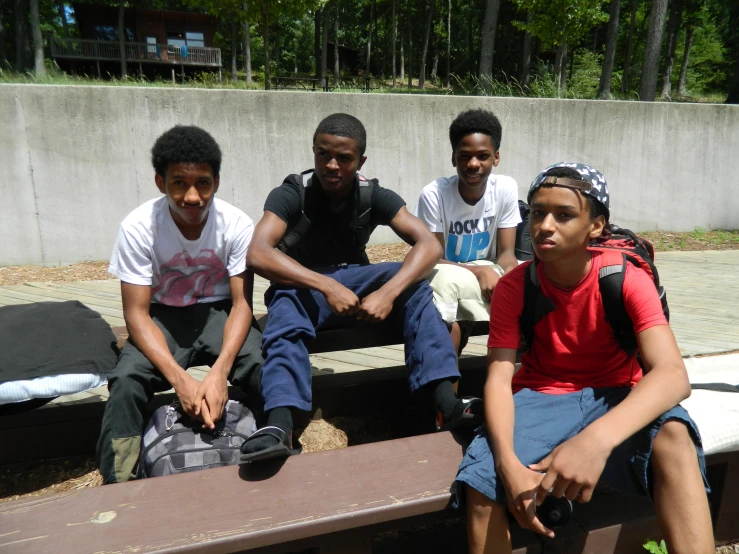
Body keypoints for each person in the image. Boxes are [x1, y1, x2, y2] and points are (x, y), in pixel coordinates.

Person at [457, 163, 714, 554]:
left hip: (615, 394)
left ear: (596, 226)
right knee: (481, 483)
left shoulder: (624, 277)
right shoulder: (516, 285)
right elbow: (497, 377)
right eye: (538, 212)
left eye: (564, 215)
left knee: (674, 437)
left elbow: (673, 376)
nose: (545, 226)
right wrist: (508, 465)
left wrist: (594, 441)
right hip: (541, 395)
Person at [240, 113, 481, 462]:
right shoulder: (293, 192)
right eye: (323, 154)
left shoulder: (372, 194)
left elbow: (429, 245)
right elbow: (258, 252)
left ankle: (446, 404)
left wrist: (388, 291)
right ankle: (280, 425)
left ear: (360, 160)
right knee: (285, 301)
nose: (332, 165)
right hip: (306, 288)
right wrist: (324, 285)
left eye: (344, 158)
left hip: (358, 283)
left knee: (413, 286)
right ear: (313, 151)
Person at [97, 125, 263, 484]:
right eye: (178, 183)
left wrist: (219, 372)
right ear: (160, 183)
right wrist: (181, 380)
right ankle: (119, 481)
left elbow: (241, 305)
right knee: (126, 380)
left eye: (202, 182)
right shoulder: (139, 227)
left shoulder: (235, 224)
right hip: (162, 317)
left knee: (264, 365)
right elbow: (136, 314)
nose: (192, 196)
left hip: (220, 312)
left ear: (216, 182)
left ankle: (275, 449)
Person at [416, 109, 520, 355]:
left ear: (496, 158)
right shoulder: (434, 194)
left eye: (482, 156)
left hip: (489, 272)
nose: (473, 164)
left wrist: (512, 278)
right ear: (454, 159)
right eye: (465, 157)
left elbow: (506, 253)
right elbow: (433, 258)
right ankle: (446, 391)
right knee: (447, 316)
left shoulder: (505, 188)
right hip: (447, 271)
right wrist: (478, 271)